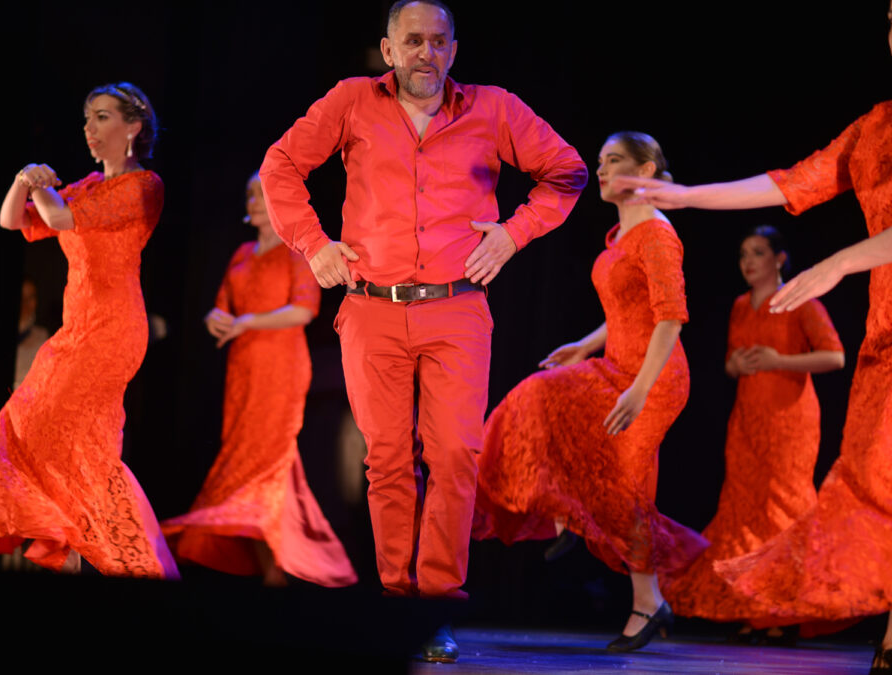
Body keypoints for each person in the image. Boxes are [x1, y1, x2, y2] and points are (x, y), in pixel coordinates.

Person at [259, 0, 587, 661]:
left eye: (438, 42)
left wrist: (514, 233)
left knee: (457, 454)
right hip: (371, 306)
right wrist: (313, 244)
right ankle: (396, 603)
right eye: (413, 41)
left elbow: (568, 171)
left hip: (456, 307)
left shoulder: (492, 109)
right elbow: (280, 166)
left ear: (454, 51)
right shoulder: (353, 102)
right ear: (388, 49)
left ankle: (434, 606)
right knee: (385, 459)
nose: (425, 53)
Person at [613, 10, 890, 664]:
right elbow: (792, 182)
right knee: (875, 484)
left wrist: (838, 262)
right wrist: (687, 196)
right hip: (885, 336)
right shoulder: (876, 127)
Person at [0, 82, 178, 579]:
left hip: (111, 331)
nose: (90, 128)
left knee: (71, 442)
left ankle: (136, 563)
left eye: (102, 117)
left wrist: (39, 183)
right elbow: (9, 220)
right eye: (86, 119)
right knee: (26, 427)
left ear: (134, 126)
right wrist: (24, 179)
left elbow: (58, 215)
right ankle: (85, 559)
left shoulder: (143, 187)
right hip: (74, 328)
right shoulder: (85, 184)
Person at [473, 131, 708, 652]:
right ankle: (566, 512)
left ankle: (646, 601)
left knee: (625, 490)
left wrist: (641, 390)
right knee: (537, 399)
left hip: (654, 376)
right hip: (616, 364)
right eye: (600, 162)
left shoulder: (656, 233)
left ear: (646, 171)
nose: (601, 171)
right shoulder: (621, 233)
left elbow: (671, 319)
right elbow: (627, 308)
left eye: (615, 161)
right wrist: (584, 344)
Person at [161, 174, 357, 588]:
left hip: (281, 368)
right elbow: (221, 308)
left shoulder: (296, 254)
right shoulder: (241, 253)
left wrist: (249, 321)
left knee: (267, 466)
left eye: (259, 195)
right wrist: (216, 319)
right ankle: (274, 573)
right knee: (253, 468)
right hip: (242, 370)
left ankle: (282, 571)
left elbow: (304, 311)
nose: (251, 201)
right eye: (248, 194)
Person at [661, 226, 844, 643]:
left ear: (778, 259)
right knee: (743, 508)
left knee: (781, 507)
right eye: (743, 253)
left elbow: (835, 356)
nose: (747, 261)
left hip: (789, 420)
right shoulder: (741, 306)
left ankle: (780, 610)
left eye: (757, 253)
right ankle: (751, 606)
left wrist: (781, 358)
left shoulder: (801, 300)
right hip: (746, 418)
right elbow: (728, 362)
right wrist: (736, 366)